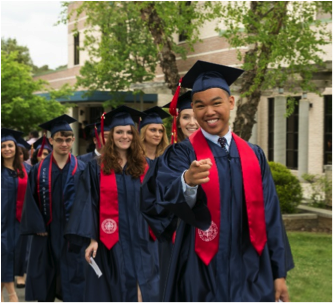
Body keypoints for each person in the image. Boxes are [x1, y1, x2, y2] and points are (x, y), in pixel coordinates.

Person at [142, 60, 294, 303]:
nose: (208, 112)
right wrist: (187, 182)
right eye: (200, 105)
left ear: (231, 103)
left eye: (216, 103)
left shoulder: (254, 155)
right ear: (192, 107)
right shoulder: (182, 154)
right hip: (201, 269)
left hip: (252, 270)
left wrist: (279, 273)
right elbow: (156, 199)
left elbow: (271, 215)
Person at [65, 106, 159, 303]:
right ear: (110, 135)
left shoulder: (146, 166)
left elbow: (155, 203)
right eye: (119, 132)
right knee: (115, 288)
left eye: (128, 132)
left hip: (142, 237)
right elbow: (88, 203)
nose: (124, 136)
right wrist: (92, 239)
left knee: (144, 287)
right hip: (111, 239)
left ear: (134, 135)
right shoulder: (95, 167)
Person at [20, 115, 86, 303]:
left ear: (73, 140)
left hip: (73, 234)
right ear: (51, 141)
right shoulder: (38, 170)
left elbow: (88, 202)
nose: (64, 144)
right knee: (45, 278)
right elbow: (30, 200)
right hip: (46, 234)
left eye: (68, 139)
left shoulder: (82, 169)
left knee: (74, 280)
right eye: (59, 140)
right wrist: (37, 225)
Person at [1, 128, 31, 303]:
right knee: (4, 253)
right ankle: (12, 293)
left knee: (14, 256)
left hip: (19, 222)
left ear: (16, 147)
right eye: (3, 146)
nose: (7, 149)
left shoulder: (25, 171)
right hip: (2, 221)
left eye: (10, 145)